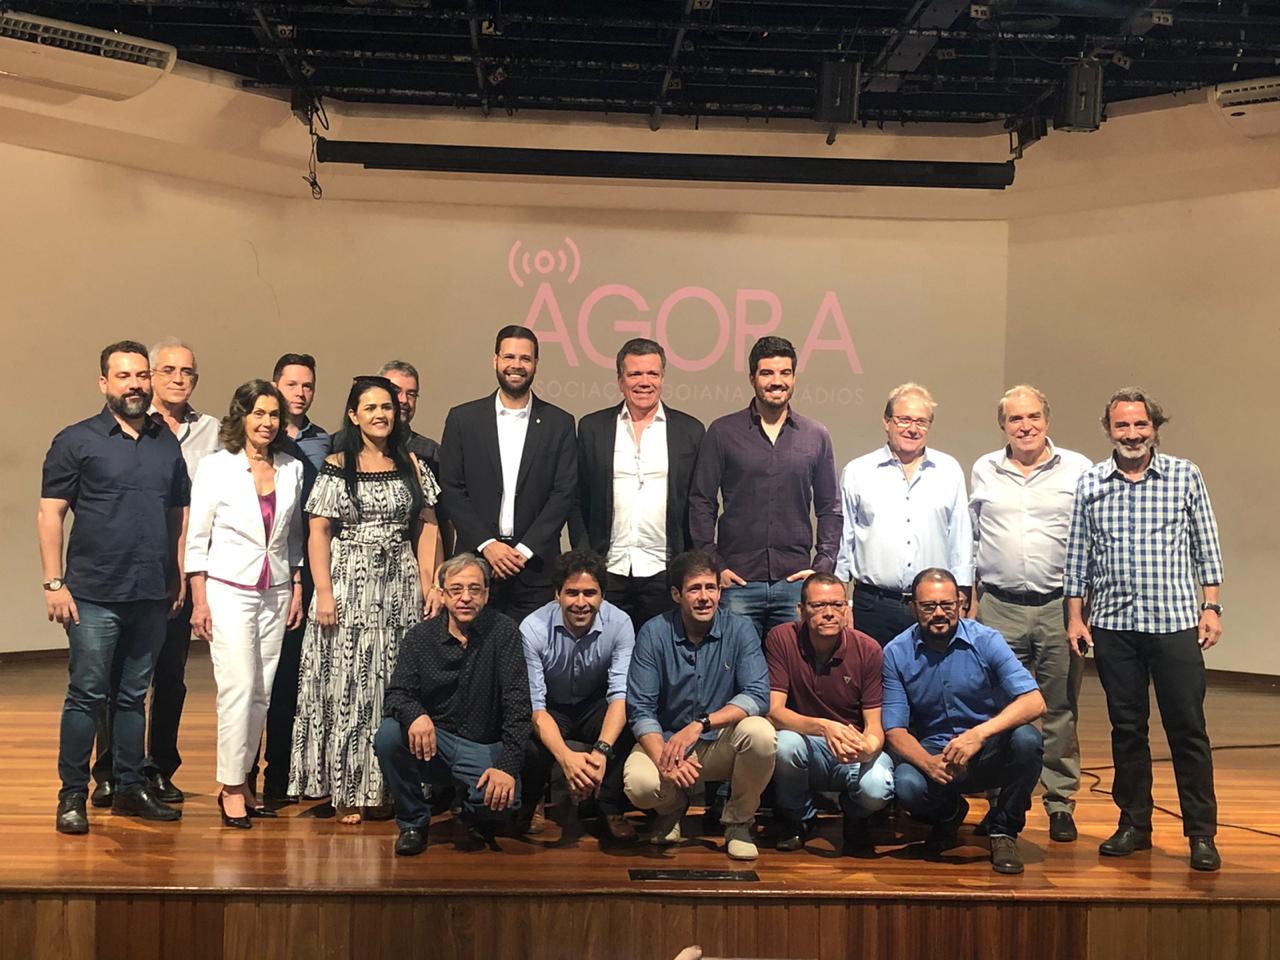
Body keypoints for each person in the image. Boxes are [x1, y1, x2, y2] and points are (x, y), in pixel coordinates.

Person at [1065, 388, 1225, 872]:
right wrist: (1075, 616)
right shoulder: (1091, 482)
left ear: (1154, 427)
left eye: (1140, 425)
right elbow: (1078, 556)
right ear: (1108, 430)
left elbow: (1206, 545)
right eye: (1122, 425)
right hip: (1114, 627)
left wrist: (1211, 607)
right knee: (1127, 731)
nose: (1132, 434)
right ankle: (1134, 824)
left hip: (1175, 624)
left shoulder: (1184, 475)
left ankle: (1201, 833)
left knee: (1188, 729)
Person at [41, 341, 189, 834]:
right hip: (92, 595)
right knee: (86, 696)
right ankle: (71, 796)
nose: (135, 385)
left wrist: (176, 575)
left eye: (141, 375)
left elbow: (177, 514)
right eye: (124, 376)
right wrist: (54, 582)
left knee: (132, 698)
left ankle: (128, 787)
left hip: (149, 594)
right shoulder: (76, 440)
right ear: (104, 383)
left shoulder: (166, 442)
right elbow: (50, 514)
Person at [289, 375, 443, 824]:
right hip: (348, 586)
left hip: (400, 586)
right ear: (354, 415)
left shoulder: (412, 463)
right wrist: (323, 591)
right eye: (371, 408)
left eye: (387, 407)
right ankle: (348, 790)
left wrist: (430, 583)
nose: (380, 415)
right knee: (349, 687)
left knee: (392, 683)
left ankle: (391, 788)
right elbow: (319, 531)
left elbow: (428, 525)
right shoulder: (337, 465)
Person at [89, 337, 221, 808]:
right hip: (126, 571)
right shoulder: (125, 426)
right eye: (167, 370)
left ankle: (158, 767)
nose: (178, 379)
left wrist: (187, 575)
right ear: (149, 376)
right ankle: (109, 771)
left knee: (170, 677)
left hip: (180, 570)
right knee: (116, 679)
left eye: (187, 371)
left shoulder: (213, 431)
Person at [969, 384, 1092, 843]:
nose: (1026, 426)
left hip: (1059, 607)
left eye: (1033, 416)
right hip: (999, 606)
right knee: (1001, 708)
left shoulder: (1077, 468)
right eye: (1015, 419)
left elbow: (1090, 539)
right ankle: (1002, 802)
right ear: (1003, 425)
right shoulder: (984, 468)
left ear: (1047, 419)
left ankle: (1059, 802)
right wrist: (973, 599)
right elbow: (973, 539)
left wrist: (1082, 608)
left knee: (1060, 707)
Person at [186, 380, 305, 828]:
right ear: (241, 416)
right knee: (237, 687)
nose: (267, 422)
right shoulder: (216, 467)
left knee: (261, 692)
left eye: (273, 414)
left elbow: (292, 537)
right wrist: (199, 598)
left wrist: (296, 584)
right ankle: (231, 785)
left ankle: (243, 783)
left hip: (275, 589)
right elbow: (197, 538)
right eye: (258, 413)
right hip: (228, 588)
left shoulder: (292, 468)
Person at [882, 568, 1045, 875]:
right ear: (913, 607)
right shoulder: (895, 653)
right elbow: (894, 730)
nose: (939, 613)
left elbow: (1034, 701)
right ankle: (949, 814)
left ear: (960, 603)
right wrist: (928, 763)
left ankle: (1004, 831)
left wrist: (979, 734)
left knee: (1027, 740)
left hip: (988, 748)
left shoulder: (987, 640)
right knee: (906, 784)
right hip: (937, 753)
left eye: (947, 604)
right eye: (928, 606)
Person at [374, 554, 532, 857]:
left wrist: (506, 768)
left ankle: (471, 809)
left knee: (503, 803)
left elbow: (518, 706)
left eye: (474, 589)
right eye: (456, 589)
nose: (465, 598)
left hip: (483, 744)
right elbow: (397, 694)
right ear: (443, 595)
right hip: (436, 743)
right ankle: (413, 824)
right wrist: (416, 715)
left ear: (486, 594)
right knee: (389, 735)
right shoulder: (420, 637)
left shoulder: (505, 632)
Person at [623, 550, 776, 860]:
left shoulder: (740, 629)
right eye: (694, 589)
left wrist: (701, 724)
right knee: (639, 785)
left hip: (720, 742)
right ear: (676, 595)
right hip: (668, 742)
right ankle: (672, 809)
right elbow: (641, 709)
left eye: (711, 588)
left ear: (720, 591)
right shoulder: (654, 633)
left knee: (761, 733)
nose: (705, 597)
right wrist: (665, 759)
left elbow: (758, 694)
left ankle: (739, 823)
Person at [689, 335, 841, 642]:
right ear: (752, 378)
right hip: (738, 582)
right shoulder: (723, 432)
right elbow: (701, 502)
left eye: (785, 373)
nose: (777, 381)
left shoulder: (815, 435)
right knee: (735, 665)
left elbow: (830, 508)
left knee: (794, 666)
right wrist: (714, 564)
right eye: (767, 373)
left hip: (794, 582)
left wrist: (822, 566)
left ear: (794, 377)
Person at [439, 325, 577, 623]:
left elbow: (563, 494)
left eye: (525, 358)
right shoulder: (463, 419)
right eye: (509, 357)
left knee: (530, 650)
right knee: (473, 649)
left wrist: (524, 550)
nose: (517, 365)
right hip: (475, 565)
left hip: (535, 568)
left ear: (536, 363)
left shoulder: (560, 423)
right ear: (495, 360)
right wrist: (488, 545)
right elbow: (451, 488)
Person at [572, 339, 704, 631]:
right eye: (635, 374)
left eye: (652, 374)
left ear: (662, 378)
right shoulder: (593, 428)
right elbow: (577, 499)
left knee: (661, 651)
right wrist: (586, 558)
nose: (645, 382)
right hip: (608, 568)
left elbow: (698, 503)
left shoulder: (690, 431)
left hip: (664, 570)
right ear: (621, 381)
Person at [836, 383, 973, 647]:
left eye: (921, 422)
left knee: (933, 673)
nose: (913, 428)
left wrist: (962, 594)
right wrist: (840, 598)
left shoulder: (948, 470)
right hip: (873, 605)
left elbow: (960, 535)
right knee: (874, 673)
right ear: (886, 421)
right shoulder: (858, 472)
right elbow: (845, 539)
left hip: (933, 606)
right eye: (904, 419)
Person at [765, 573, 893, 854]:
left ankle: (856, 817)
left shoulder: (868, 649)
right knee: (784, 745)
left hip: (852, 745)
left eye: (837, 605)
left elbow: (874, 725)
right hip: (806, 742)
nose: (829, 613)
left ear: (847, 609)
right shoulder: (782, 638)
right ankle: (799, 818)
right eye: (819, 605)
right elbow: (774, 713)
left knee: (877, 788)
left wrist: (867, 748)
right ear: (801, 610)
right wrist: (825, 727)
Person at [518, 549, 636, 840]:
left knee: (631, 720)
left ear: (602, 596)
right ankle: (535, 802)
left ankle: (609, 806)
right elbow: (536, 706)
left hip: (593, 703)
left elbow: (619, 695)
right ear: (557, 594)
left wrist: (600, 752)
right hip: (550, 706)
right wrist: (566, 759)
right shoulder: (532, 628)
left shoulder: (620, 623)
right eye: (572, 593)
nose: (581, 603)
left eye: (590, 593)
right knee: (525, 731)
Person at [261, 351, 331, 805]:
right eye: (292, 384)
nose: (300, 393)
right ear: (275, 386)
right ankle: (241, 776)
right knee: (254, 685)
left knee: (290, 682)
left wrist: (305, 582)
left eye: (308, 385)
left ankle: (280, 777)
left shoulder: (324, 442)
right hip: (253, 580)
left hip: (299, 577)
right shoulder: (254, 439)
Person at [379, 360, 440, 480]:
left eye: (411, 394)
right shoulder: (344, 446)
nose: (404, 400)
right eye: (396, 391)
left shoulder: (430, 452)